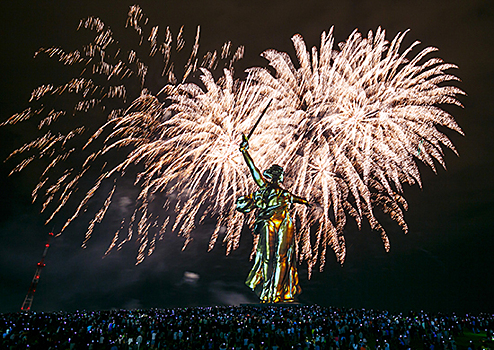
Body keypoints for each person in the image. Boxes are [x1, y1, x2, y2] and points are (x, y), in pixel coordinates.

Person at [236, 134, 310, 303]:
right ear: (270, 176)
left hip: (284, 222)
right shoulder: (264, 187)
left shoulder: (285, 194)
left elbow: (296, 198)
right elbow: (253, 170)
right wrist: (245, 152)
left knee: (283, 257)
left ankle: (277, 293)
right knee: (268, 257)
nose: (276, 177)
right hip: (269, 221)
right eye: (274, 174)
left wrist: (305, 202)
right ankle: (269, 293)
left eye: (278, 174)